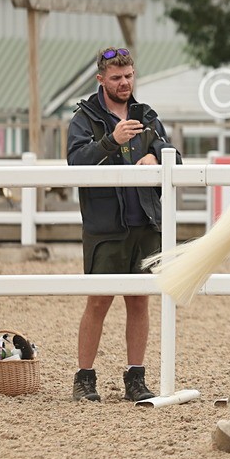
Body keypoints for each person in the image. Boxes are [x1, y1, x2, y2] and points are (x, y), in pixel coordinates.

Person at [67, 47, 178, 402]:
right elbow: (75, 161)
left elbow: (174, 153)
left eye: (128, 76)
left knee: (139, 300)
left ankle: (136, 378)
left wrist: (155, 156)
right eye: (116, 78)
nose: (124, 83)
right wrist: (111, 141)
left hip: (145, 223)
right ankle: (84, 379)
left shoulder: (146, 115)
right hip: (106, 227)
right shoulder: (84, 119)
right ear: (101, 80)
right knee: (98, 301)